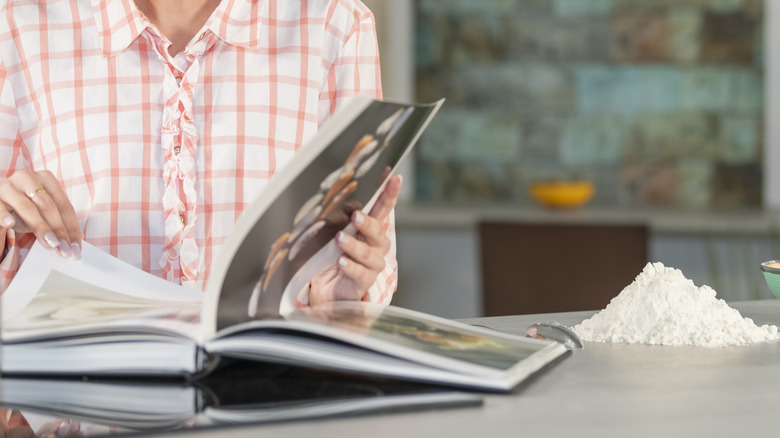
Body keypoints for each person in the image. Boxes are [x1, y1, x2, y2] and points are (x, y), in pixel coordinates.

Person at [0, 0, 399, 305]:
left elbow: (368, 268)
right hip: (74, 385)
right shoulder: (15, 26)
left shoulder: (336, 25)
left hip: (272, 382)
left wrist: (342, 301)